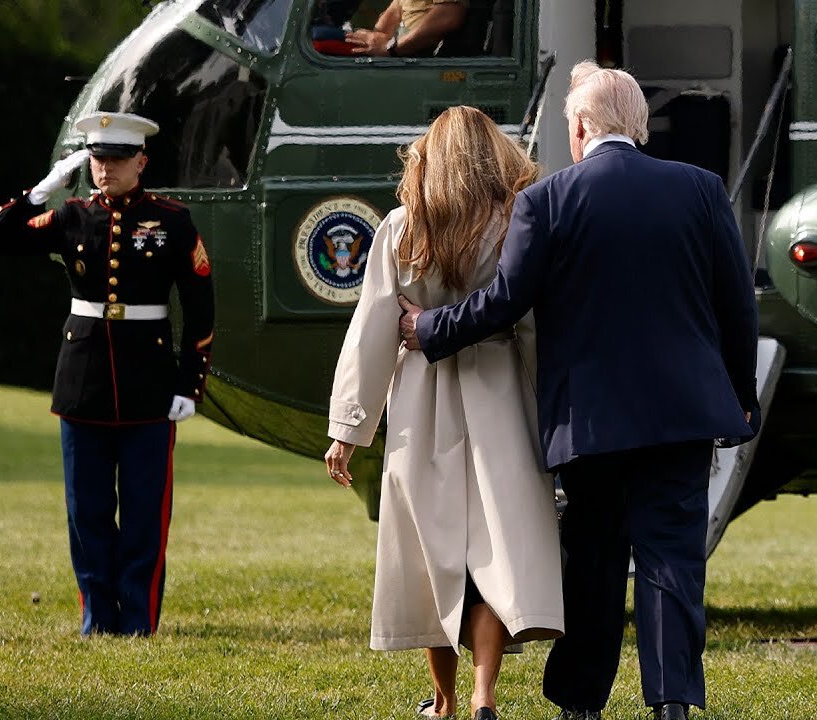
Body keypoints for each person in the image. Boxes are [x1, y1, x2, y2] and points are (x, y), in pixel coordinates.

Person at [397, 62, 761, 720]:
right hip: (682, 416)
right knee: (672, 562)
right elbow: (737, 308)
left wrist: (431, 329)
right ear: (639, 126)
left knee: (592, 563)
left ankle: (580, 704)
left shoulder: (548, 200)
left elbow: (504, 303)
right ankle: (672, 702)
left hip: (589, 423)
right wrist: (742, 394)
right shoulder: (702, 191)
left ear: (580, 126)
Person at [323, 106, 564, 720]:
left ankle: (446, 699)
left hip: (419, 400)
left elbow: (374, 327)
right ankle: (485, 694)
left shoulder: (403, 228)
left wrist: (349, 428)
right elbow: (533, 326)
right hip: (500, 393)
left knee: (431, 555)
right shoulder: (515, 224)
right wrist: (552, 409)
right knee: (490, 555)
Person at [0, 111, 215, 636]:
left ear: (141, 161)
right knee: (87, 512)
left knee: (145, 513)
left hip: (149, 381)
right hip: (82, 380)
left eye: (117, 159)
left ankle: (139, 620)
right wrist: (42, 191)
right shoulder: (73, 215)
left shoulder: (172, 221)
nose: (106, 170)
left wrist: (189, 384)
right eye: (98, 160)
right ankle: (97, 618)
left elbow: (200, 309)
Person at [344, 0, 469, 57]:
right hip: (400, 56)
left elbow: (448, 15)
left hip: (423, 59)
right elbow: (393, 13)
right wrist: (370, 41)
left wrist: (389, 47)